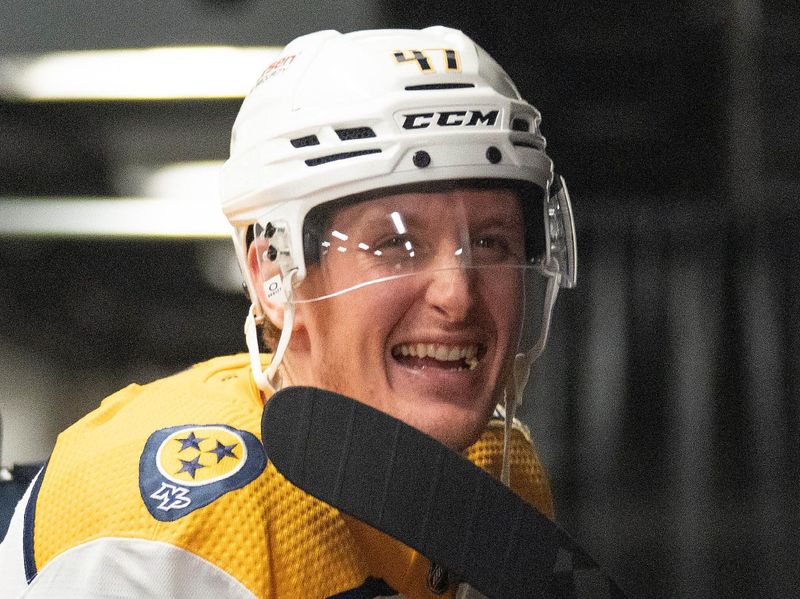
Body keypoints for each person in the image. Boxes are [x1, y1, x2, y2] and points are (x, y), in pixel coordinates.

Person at [0, 26, 577, 598]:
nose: (458, 293)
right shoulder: (165, 533)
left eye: (492, 243)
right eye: (395, 244)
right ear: (274, 274)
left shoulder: (499, 475)